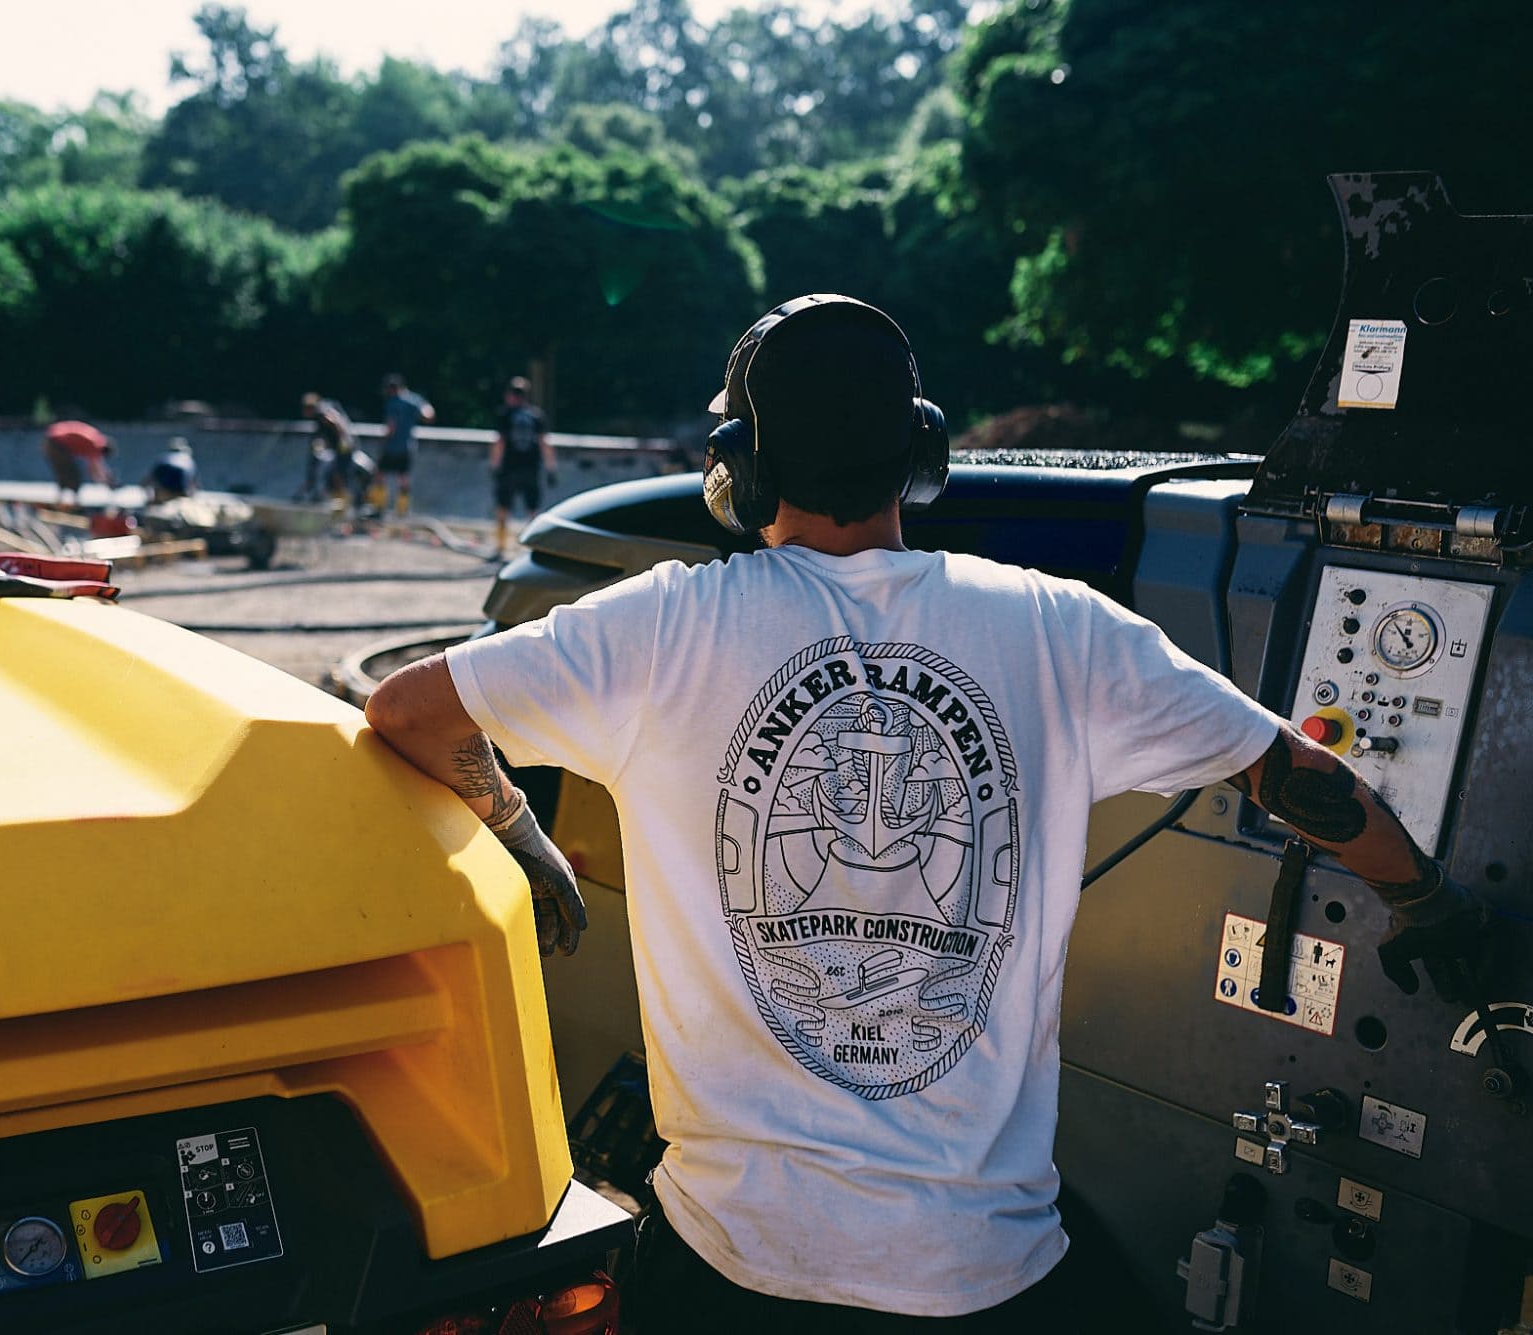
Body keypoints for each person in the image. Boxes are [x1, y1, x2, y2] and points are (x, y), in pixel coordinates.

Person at [364, 294, 1490, 1330]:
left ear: (738, 471)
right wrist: (1422, 901)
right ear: (924, 454)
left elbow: (408, 711)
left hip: (730, 1264)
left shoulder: (657, 630)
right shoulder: (1059, 629)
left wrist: (518, 832)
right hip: (979, 1276)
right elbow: (1296, 775)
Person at [491, 375, 556, 555]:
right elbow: (545, 443)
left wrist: (495, 466)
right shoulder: (537, 415)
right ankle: (535, 546)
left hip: (509, 468)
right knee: (533, 509)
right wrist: (551, 469)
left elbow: (500, 442)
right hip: (531, 468)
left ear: (510, 395)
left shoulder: (505, 414)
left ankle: (501, 546)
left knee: (503, 507)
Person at [299, 391, 370, 511]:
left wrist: (343, 438)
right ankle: (337, 502)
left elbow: (335, 421)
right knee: (333, 474)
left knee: (339, 475)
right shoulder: (322, 412)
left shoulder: (321, 412)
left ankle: (342, 505)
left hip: (343, 447)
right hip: (340, 447)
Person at [379, 373, 435, 517]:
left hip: (392, 446)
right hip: (407, 446)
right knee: (403, 478)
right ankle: (402, 510)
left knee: (380, 474)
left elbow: (391, 427)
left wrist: (384, 439)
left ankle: (379, 507)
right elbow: (428, 413)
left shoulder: (393, 402)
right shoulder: (414, 399)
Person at [44, 419, 113, 505]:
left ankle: (61, 499)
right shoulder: (95, 444)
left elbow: (96, 466)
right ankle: (72, 501)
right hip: (57, 444)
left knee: (64, 471)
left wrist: (105, 479)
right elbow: (93, 469)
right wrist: (107, 482)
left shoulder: (95, 437)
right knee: (73, 473)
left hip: (52, 439)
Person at [147, 437, 198, 504]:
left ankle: (156, 501)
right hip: (182, 493)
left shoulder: (163, 458)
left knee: (153, 481)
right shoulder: (189, 460)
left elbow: (150, 478)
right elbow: (194, 482)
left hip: (164, 493)